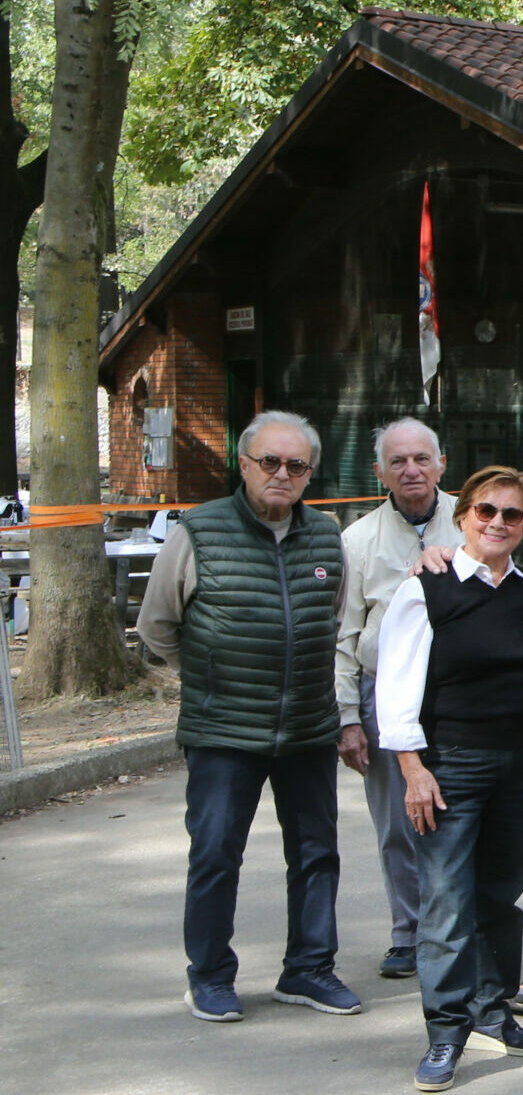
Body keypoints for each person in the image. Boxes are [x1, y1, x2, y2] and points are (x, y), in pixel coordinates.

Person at [139, 411, 359, 1025]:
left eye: (296, 465)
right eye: (270, 462)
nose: (281, 474)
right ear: (243, 464)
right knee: (215, 854)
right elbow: (158, 628)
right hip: (223, 731)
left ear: (310, 473)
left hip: (308, 728)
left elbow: (334, 621)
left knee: (316, 852)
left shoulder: (325, 535)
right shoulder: (198, 532)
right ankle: (209, 975)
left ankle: (309, 969)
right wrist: (213, 674)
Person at [374, 466, 523, 1092]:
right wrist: (413, 768)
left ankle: (492, 1009)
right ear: (463, 517)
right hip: (451, 763)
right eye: (486, 511)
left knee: (499, 892)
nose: (498, 523)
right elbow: (394, 685)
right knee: (447, 897)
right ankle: (445, 1030)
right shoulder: (427, 587)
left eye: (512, 515)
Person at [331, 418, 462, 982]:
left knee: (459, 813)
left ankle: (458, 928)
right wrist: (347, 718)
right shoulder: (357, 540)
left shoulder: (476, 517)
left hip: (460, 695)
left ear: (440, 464)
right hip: (383, 693)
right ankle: (408, 933)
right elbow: (341, 635)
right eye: (398, 461)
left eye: (421, 459)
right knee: (398, 822)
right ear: (379, 472)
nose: (411, 470)